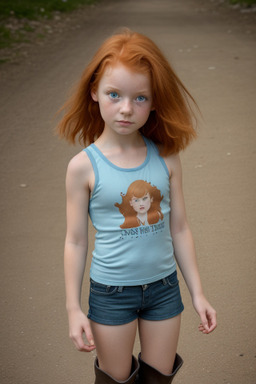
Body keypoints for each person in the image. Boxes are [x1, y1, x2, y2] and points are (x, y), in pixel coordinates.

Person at [57, 28, 217, 384]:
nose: (127, 108)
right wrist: (73, 308)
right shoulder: (83, 167)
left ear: (155, 101)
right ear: (94, 92)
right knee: (115, 380)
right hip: (111, 294)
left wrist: (198, 293)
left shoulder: (167, 158)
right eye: (114, 94)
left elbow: (180, 228)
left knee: (158, 379)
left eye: (140, 98)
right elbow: (75, 241)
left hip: (163, 289)